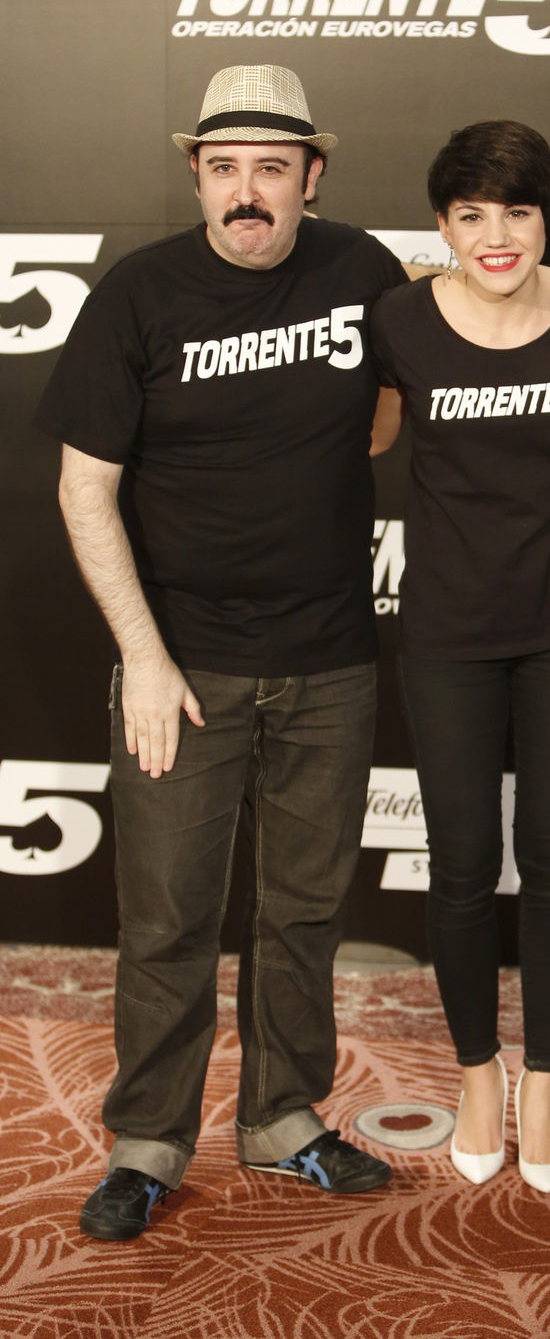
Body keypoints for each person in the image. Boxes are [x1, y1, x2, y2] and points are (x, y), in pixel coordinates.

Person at [34, 65, 412, 1241]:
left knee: (301, 915)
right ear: (196, 172)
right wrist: (143, 658)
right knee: (167, 922)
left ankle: (284, 1120)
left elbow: (416, 407)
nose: (247, 193)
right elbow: (83, 489)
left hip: (333, 661)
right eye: (224, 168)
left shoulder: (365, 273)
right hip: (180, 672)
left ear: (312, 175)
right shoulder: (138, 295)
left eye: (271, 168)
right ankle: (147, 1143)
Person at [369, 120, 550, 1193]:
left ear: (542, 215)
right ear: (442, 225)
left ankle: (545, 1082)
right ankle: (479, 1071)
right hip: (447, 633)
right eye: (470, 214)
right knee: (464, 862)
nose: (496, 234)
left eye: (515, 211)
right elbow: (357, 441)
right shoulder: (399, 323)